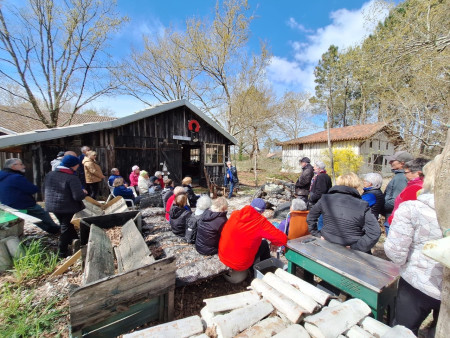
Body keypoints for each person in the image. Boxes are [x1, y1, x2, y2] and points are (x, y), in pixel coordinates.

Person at [384, 156, 442, 336]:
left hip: (418, 281)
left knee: (404, 330)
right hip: (440, 284)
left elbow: (396, 253)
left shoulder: (413, 208)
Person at [307, 172, 381, 253]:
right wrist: (357, 247)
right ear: (356, 185)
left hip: (330, 244)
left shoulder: (325, 199)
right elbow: (375, 232)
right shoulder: (362, 205)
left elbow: (311, 217)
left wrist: (316, 233)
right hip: (346, 248)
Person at [218, 198, 287, 271]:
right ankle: (264, 270)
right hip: (240, 264)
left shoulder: (235, 214)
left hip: (223, 256)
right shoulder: (260, 222)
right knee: (264, 244)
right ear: (262, 211)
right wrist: (274, 243)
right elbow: (282, 239)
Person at [0, 158, 60, 234]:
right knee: (42, 213)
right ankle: (55, 229)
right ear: (13, 166)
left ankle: (50, 229)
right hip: (23, 204)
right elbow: (32, 189)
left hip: (7, 204)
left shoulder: (2, 175)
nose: (23, 166)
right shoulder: (16, 177)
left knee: (34, 217)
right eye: (21, 164)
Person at [44, 155, 86, 257]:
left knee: (66, 224)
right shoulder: (72, 177)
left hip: (52, 205)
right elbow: (77, 196)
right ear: (73, 165)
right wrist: (83, 192)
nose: (78, 167)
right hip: (67, 206)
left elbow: (45, 189)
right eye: (77, 165)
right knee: (65, 227)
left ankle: (76, 241)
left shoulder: (50, 174)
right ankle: (62, 251)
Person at [387, 158, 429, 225]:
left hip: (402, 225)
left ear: (418, 173)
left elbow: (405, 211)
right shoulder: (426, 185)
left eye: (406, 172)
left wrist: (391, 220)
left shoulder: (415, 188)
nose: (404, 175)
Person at [383, 150, 413, 235]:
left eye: (393, 161)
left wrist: (383, 206)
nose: (390, 162)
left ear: (402, 163)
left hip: (393, 217)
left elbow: (397, 199)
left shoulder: (401, 178)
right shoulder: (401, 176)